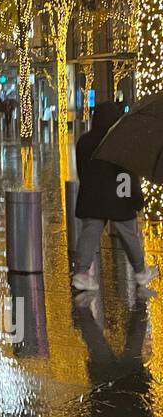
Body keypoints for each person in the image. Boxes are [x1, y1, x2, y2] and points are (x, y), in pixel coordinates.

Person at [72, 100, 157, 291]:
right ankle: (141, 271)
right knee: (129, 234)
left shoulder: (84, 141)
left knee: (90, 233)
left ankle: (81, 273)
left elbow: (82, 170)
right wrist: (135, 198)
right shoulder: (119, 141)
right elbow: (127, 174)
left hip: (92, 196)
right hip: (118, 197)